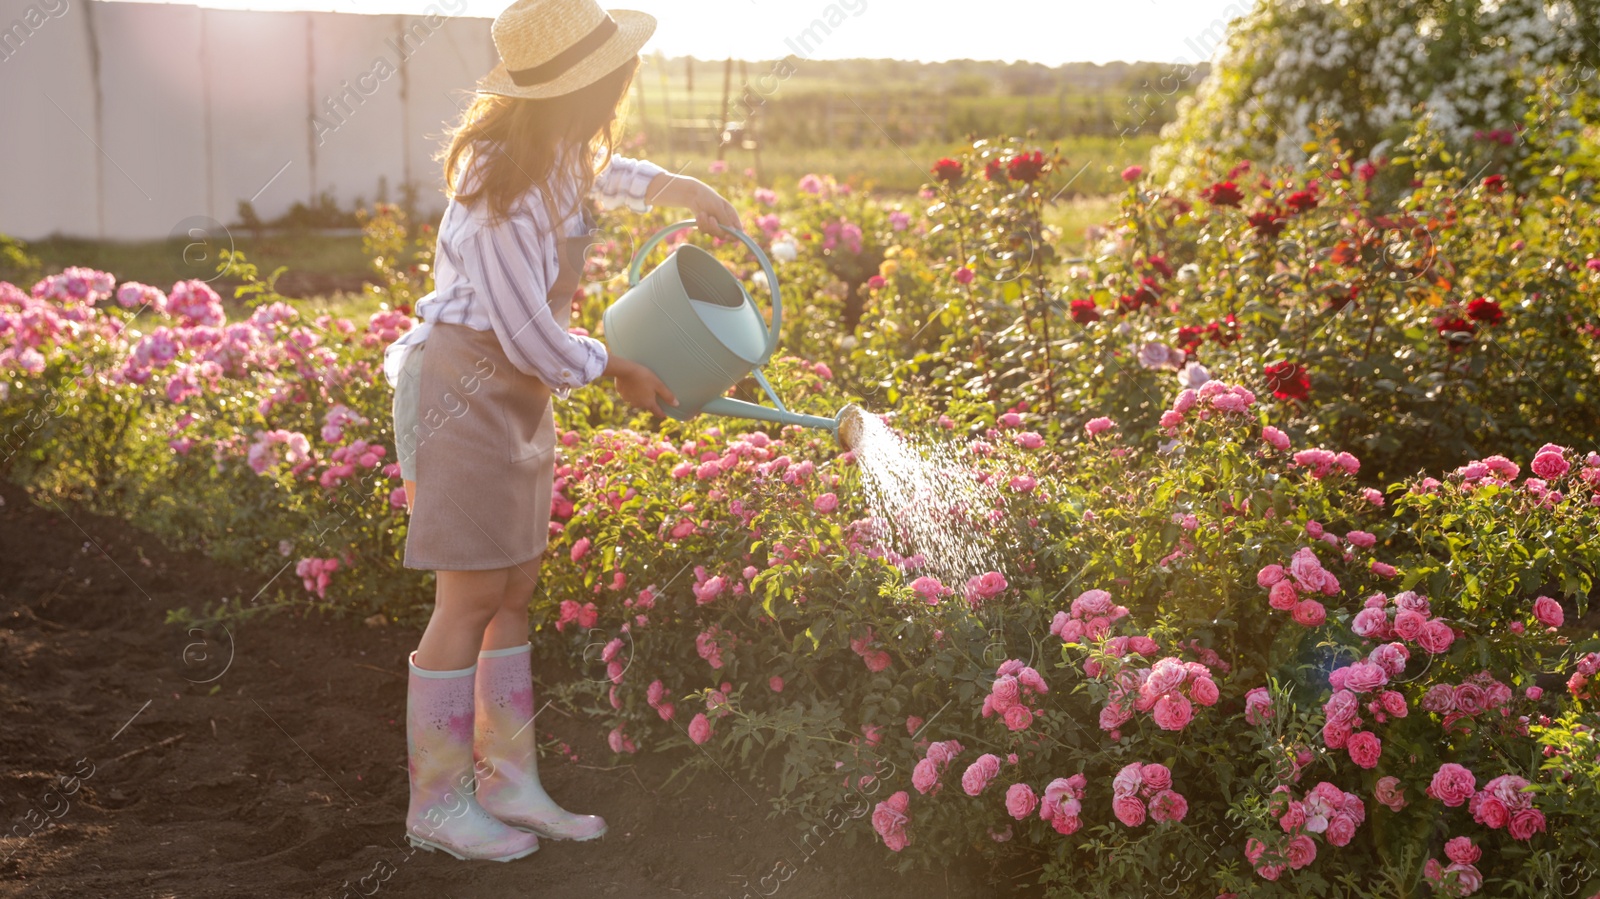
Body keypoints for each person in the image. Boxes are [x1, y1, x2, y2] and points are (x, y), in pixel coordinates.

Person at [382, 0, 742, 862]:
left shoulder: (558, 153)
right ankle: (435, 800)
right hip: (463, 389)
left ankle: (507, 781)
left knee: (512, 591)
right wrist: (618, 366)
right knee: (467, 597)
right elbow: (527, 336)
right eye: (616, 77)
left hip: (517, 394)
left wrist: (675, 188)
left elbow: (605, 173)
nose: (625, 86)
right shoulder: (497, 195)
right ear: (586, 87)